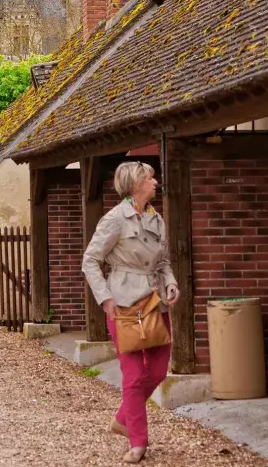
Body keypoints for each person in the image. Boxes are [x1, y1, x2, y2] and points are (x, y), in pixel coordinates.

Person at [82, 161, 180, 464]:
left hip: (155, 302)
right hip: (125, 305)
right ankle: (138, 442)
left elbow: (163, 262)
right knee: (134, 375)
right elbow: (90, 260)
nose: (155, 183)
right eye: (150, 178)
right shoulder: (114, 220)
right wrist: (106, 299)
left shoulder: (155, 218)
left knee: (160, 370)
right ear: (136, 184)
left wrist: (171, 284)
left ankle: (124, 417)